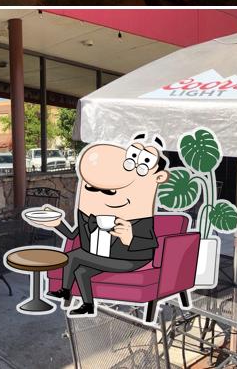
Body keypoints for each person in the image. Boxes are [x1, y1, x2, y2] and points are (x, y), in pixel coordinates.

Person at [30, 134, 169, 317]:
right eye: (92, 188)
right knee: (82, 272)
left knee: (75, 256)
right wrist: (57, 224)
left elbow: (151, 245)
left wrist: (130, 238)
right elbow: (73, 236)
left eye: (110, 191)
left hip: (130, 260)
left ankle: (65, 290)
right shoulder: (90, 216)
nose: (101, 196)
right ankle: (87, 305)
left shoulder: (138, 220)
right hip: (102, 256)